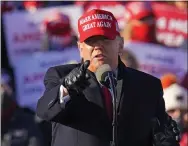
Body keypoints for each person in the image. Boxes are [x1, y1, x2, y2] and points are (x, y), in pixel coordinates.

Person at [36, 9, 180, 146]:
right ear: (80, 48)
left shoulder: (148, 86)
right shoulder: (60, 75)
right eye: (91, 41)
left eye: (105, 39)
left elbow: (162, 134)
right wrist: (67, 88)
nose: (98, 46)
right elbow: (44, 110)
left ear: (120, 44)